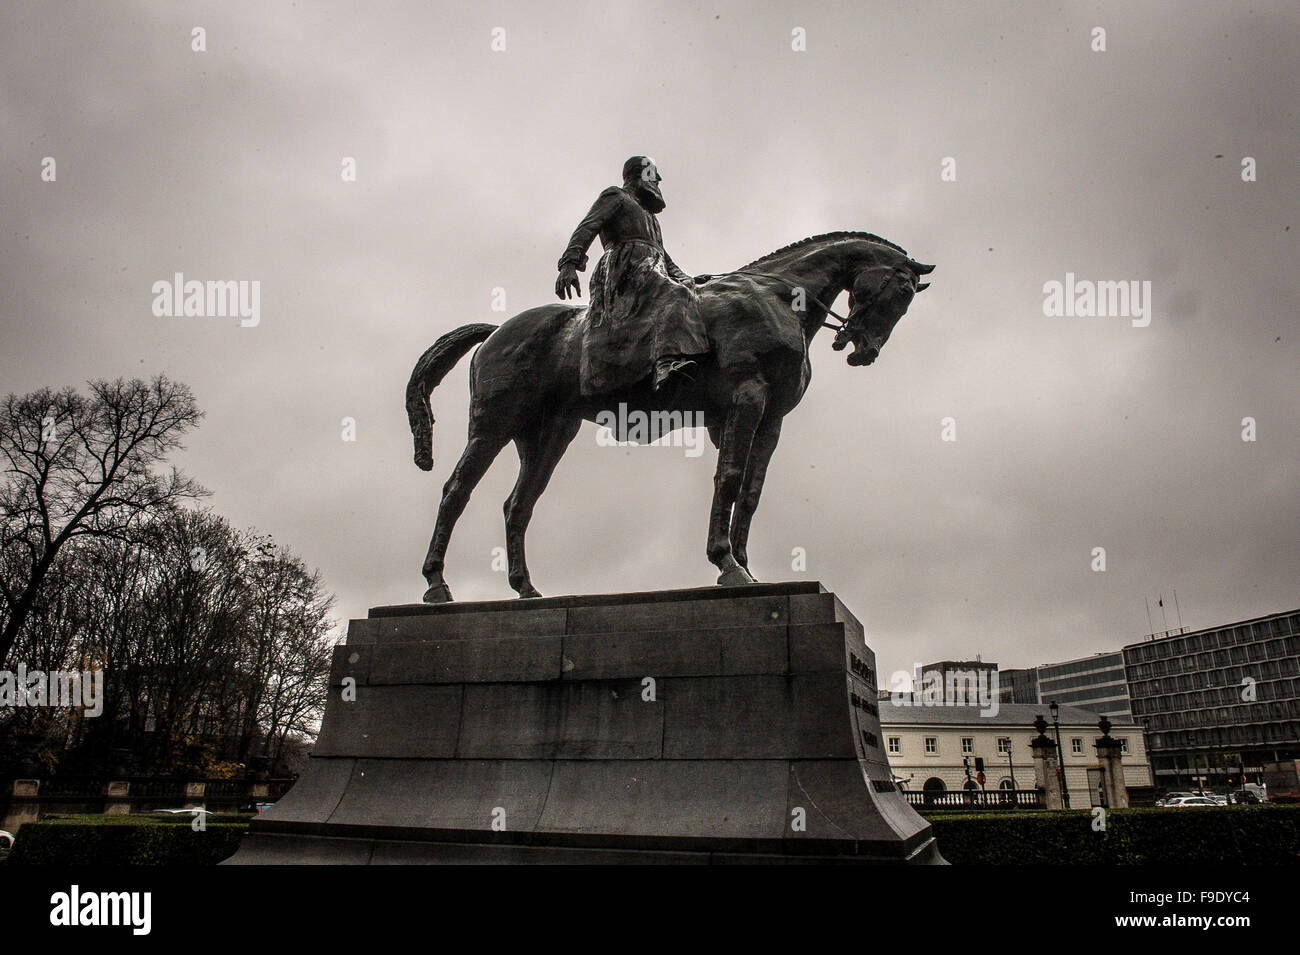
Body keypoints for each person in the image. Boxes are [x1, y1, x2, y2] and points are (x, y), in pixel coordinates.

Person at [556, 156, 708, 395]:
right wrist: (569, 263)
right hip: (624, 268)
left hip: (651, 268)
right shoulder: (616, 197)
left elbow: (662, 255)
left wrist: (686, 277)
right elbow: (588, 226)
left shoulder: (651, 218)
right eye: (653, 174)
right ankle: (666, 363)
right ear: (638, 175)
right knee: (675, 294)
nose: (658, 180)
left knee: (686, 290)